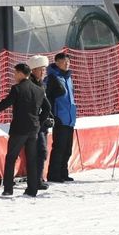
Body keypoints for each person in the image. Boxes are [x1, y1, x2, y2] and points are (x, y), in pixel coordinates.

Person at [0, 61, 50, 197]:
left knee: (11, 158)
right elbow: (47, 108)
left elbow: (4, 104)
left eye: (15, 73)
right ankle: (32, 189)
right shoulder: (39, 89)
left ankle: (8, 188)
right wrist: (39, 122)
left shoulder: (17, 89)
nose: (14, 76)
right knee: (32, 159)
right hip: (33, 129)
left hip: (19, 129)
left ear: (20, 73)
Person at [44, 52, 77, 183]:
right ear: (57, 62)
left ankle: (64, 172)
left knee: (68, 148)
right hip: (60, 117)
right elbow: (48, 99)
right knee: (59, 147)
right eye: (64, 61)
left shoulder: (68, 77)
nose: (67, 63)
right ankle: (53, 174)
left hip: (70, 118)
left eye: (68, 61)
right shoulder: (52, 78)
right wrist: (52, 114)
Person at [27, 55, 55, 189]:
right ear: (33, 70)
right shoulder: (30, 85)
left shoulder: (41, 84)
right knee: (40, 151)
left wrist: (49, 117)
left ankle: (38, 178)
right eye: (41, 69)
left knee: (41, 152)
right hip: (34, 124)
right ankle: (36, 180)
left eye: (44, 69)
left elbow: (45, 104)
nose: (44, 72)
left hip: (42, 123)